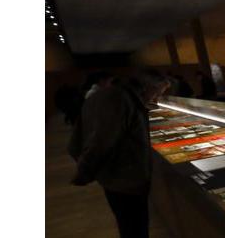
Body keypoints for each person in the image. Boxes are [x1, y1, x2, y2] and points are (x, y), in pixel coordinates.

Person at [69, 69, 170, 238]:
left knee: (130, 224)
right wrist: (84, 172)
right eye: (157, 92)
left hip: (120, 177)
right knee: (134, 227)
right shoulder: (120, 101)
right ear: (147, 87)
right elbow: (100, 141)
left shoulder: (115, 96)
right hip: (124, 178)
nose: (156, 99)